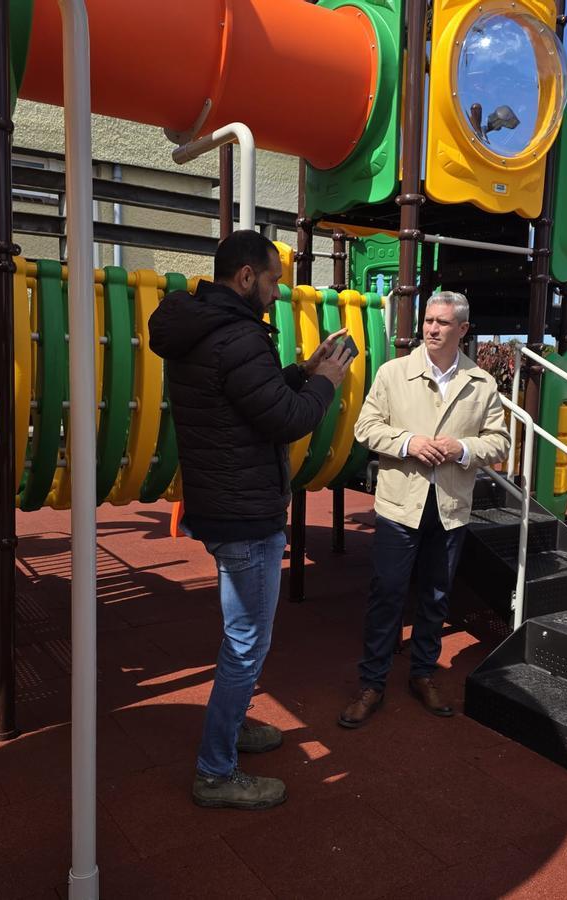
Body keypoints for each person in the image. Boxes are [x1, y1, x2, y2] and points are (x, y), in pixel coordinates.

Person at [149, 230, 353, 810]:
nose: (275, 292)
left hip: (226, 503)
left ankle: (231, 729)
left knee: (244, 637)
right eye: (272, 281)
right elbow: (287, 419)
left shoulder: (206, 326)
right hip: (244, 512)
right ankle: (215, 770)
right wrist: (325, 383)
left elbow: (250, 401)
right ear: (245, 277)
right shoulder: (237, 335)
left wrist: (301, 369)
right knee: (247, 643)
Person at [338, 291, 509, 728]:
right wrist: (409, 443)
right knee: (387, 592)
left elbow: (500, 441)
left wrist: (463, 447)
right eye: (429, 320)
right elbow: (366, 427)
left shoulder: (482, 383)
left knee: (436, 594)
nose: (432, 328)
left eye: (443, 322)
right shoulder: (394, 373)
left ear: (463, 330)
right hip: (401, 505)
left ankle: (423, 674)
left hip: (450, 507)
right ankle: (372, 682)